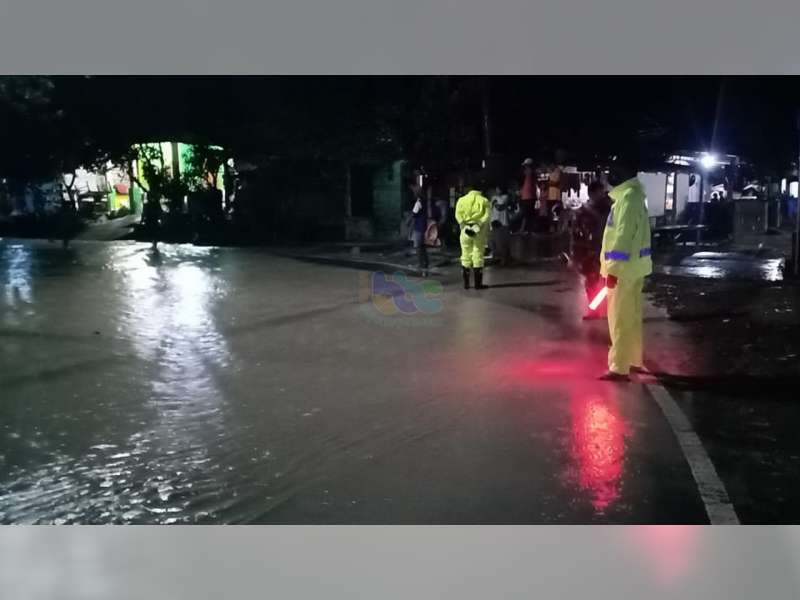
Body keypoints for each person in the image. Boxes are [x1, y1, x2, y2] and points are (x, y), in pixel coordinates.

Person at [599, 164, 653, 382]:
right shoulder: (633, 196)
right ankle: (632, 360)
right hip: (633, 268)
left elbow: (622, 237)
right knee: (631, 317)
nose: (606, 179)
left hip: (623, 271)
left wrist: (612, 270)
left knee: (619, 318)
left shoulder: (628, 198)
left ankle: (619, 367)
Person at [571, 180, 612, 319]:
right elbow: (576, 234)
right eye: (600, 192)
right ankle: (594, 309)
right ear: (592, 194)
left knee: (609, 281)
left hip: (608, 250)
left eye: (603, 192)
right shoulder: (583, 212)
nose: (603, 195)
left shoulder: (611, 209)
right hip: (591, 251)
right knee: (591, 281)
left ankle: (608, 309)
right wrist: (576, 254)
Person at [456, 175, 491, 290]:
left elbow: (458, 214)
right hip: (478, 230)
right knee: (478, 254)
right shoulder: (484, 201)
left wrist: (463, 224)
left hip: (465, 230)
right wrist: (479, 224)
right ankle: (478, 284)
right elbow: (487, 216)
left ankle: (466, 284)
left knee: (465, 255)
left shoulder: (461, 200)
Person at [409, 181, 432, 276]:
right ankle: (425, 266)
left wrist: (408, 222)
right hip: (423, 226)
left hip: (419, 227)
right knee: (423, 247)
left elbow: (414, 214)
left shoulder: (419, 202)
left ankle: (421, 266)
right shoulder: (424, 201)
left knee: (418, 247)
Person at [490, 185, 515, 267]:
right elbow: (491, 208)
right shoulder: (494, 198)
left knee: (502, 242)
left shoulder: (505, 197)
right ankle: (496, 258)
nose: (496, 191)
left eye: (497, 189)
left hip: (503, 223)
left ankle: (505, 260)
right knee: (494, 241)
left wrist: (495, 202)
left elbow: (500, 207)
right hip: (494, 222)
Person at [519, 158, 538, 234]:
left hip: (528, 196)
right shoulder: (531, 173)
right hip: (528, 196)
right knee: (528, 214)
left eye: (526, 166)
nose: (525, 167)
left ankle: (524, 229)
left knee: (526, 214)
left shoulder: (530, 172)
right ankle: (528, 229)